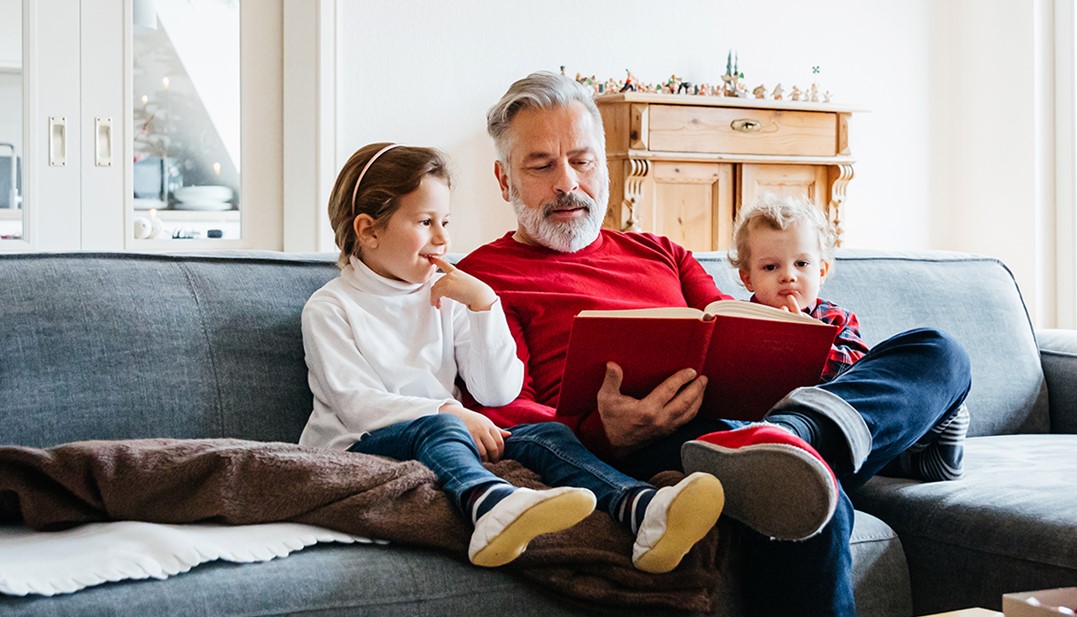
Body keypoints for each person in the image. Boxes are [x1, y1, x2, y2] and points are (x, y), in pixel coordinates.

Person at [457, 71, 972, 616]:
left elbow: (732, 325)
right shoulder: (480, 283)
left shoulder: (661, 251)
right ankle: (814, 443)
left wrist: (785, 338)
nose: (568, 182)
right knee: (804, 495)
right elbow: (510, 417)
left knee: (938, 351)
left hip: (748, 422)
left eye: (583, 160)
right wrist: (604, 433)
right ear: (503, 178)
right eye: (541, 165)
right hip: (653, 448)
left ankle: (799, 433)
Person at [298, 142, 724, 573]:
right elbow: (356, 404)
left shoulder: (448, 295)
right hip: (362, 444)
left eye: (445, 222)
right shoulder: (331, 308)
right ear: (369, 231)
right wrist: (449, 410)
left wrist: (485, 307)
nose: (443, 239)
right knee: (442, 427)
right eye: (426, 223)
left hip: (449, 433)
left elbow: (498, 388)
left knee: (546, 435)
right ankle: (490, 506)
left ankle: (640, 507)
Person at [728, 193, 969, 481]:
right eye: (771, 267)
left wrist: (811, 342)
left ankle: (920, 453)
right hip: (760, 429)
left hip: (838, 425)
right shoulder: (737, 321)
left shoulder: (834, 318)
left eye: (802, 264)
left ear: (822, 271)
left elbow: (859, 372)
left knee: (938, 349)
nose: (788, 276)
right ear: (748, 278)